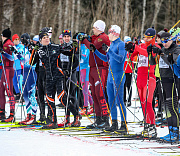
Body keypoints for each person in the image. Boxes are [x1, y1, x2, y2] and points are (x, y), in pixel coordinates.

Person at [35, 32, 80, 128]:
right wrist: (33, 52)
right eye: (44, 38)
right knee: (50, 100)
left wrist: (75, 47)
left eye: (47, 37)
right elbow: (31, 63)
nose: (46, 39)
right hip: (48, 78)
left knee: (62, 98)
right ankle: (53, 121)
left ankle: (76, 116)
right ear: (40, 40)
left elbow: (69, 52)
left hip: (58, 76)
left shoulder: (55, 47)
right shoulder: (39, 50)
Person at [92, 25, 127, 133]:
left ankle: (124, 125)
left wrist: (109, 51)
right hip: (110, 76)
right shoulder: (112, 45)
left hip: (118, 75)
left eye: (110, 33)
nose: (108, 35)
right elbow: (107, 59)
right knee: (111, 101)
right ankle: (114, 123)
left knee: (119, 101)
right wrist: (95, 51)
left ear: (115, 33)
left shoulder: (121, 44)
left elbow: (121, 59)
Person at [127, 27, 160, 137]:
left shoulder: (156, 47)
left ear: (154, 37)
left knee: (148, 103)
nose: (146, 40)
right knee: (142, 103)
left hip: (149, 77)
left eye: (149, 38)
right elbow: (132, 57)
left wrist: (136, 47)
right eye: (145, 37)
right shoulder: (141, 46)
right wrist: (131, 49)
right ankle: (146, 126)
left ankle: (152, 127)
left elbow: (148, 54)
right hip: (140, 77)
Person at [80, 20, 110, 129]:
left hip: (101, 68)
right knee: (94, 94)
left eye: (94, 28)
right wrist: (84, 38)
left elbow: (93, 46)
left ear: (99, 28)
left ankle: (105, 119)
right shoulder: (96, 36)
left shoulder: (104, 37)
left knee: (100, 94)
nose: (93, 29)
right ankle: (98, 119)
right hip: (92, 68)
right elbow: (91, 40)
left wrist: (85, 41)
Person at [154, 32, 180, 142]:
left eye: (166, 41)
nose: (164, 44)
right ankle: (171, 131)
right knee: (167, 108)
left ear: (171, 40)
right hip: (163, 80)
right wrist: (152, 53)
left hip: (172, 80)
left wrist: (162, 54)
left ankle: (176, 133)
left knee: (173, 107)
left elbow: (172, 62)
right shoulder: (163, 50)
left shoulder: (176, 49)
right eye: (162, 41)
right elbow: (153, 62)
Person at [14, 33, 38, 125]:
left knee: (31, 94)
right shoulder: (23, 48)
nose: (23, 42)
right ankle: (28, 114)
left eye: (24, 40)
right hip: (25, 72)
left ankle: (34, 116)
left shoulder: (31, 48)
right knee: (25, 94)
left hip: (32, 72)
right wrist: (15, 52)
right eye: (22, 40)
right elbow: (20, 59)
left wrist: (18, 53)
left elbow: (28, 60)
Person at [58, 29, 80, 127]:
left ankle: (76, 118)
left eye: (68, 37)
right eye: (65, 36)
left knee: (72, 95)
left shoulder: (74, 46)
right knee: (65, 96)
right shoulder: (61, 46)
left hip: (72, 73)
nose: (66, 38)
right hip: (63, 72)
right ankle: (67, 118)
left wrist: (70, 71)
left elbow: (77, 61)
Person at [0, 28, 15, 122]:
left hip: (8, 69)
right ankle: (2, 112)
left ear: (3, 36)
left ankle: (12, 114)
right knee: (1, 90)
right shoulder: (8, 43)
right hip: (5, 69)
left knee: (9, 91)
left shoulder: (7, 44)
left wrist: (2, 51)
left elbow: (10, 58)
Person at [78, 33, 94, 116]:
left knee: (85, 88)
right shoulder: (80, 46)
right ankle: (91, 105)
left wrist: (78, 55)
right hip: (82, 68)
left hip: (86, 68)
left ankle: (86, 106)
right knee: (84, 88)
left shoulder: (84, 46)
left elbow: (84, 57)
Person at [12, 34, 24, 101]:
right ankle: (17, 94)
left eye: (17, 39)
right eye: (15, 39)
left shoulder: (21, 46)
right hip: (14, 67)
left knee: (20, 81)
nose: (17, 41)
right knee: (14, 82)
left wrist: (14, 51)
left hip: (20, 67)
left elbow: (19, 55)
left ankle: (21, 94)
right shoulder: (13, 46)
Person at [124, 36, 133, 107]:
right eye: (126, 42)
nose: (128, 43)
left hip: (129, 70)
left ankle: (129, 100)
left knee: (129, 85)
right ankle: (124, 100)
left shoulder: (131, 49)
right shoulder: (123, 49)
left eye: (129, 41)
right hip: (123, 70)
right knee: (123, 86)